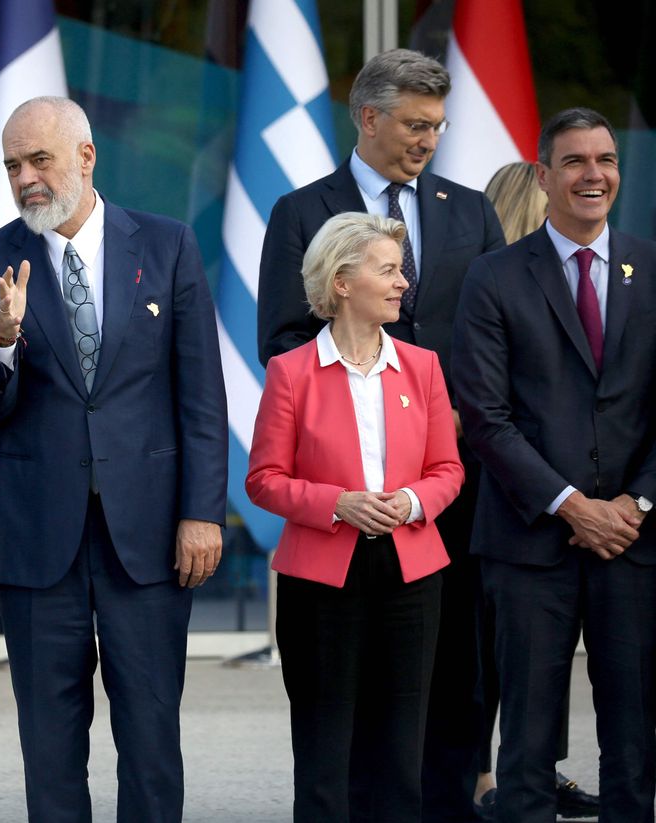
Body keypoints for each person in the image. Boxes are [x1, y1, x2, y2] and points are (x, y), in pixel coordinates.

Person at [0, 96, 228, 823]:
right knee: (48, 740)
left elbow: (201, 395)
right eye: (13, 165)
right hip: (37, 538)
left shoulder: (167, 246)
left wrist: (202, 512)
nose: (25, 178)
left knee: (150, 734)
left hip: (149, 537)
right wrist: (3, 341)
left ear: (86, 156)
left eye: (39, 159)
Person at [256, 48, 505, 821]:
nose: (429, 139)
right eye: (414, 124)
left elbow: (500, 335)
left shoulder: (470, 210)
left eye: (437, 125)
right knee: (345, 690)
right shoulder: (302, 211)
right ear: (369, 117)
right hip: (347, 482)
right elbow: (282, 337)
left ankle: (446, 806)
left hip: (450, 477)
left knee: (455, 665)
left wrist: (457, 414)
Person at [452, 107, 656, 823]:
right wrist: (572, 503)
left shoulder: (652, 266)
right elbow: (484, 415)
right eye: (574, 161)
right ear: (544, 176)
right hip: (528, 542)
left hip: (634, 545)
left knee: (635, 743)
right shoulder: (494, 275)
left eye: (604, 159)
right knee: (529, 746)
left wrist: (635, 504)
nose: (592, 174)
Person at [247, 212, 463, 822]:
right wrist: (336, 504)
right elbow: (263, 480)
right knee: (323, 745)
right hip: (320, 579)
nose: (402, 284)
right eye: (388, 270)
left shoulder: (423, 367)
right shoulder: (290, 373)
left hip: (412, 573)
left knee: (399, 747)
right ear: (342, 282)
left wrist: (414, 502)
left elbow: (449, 468)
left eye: (401, 271)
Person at [471, 162, 598, 821]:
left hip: (549, 491)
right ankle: (492, 777)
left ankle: (526, 773)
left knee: (526, 654)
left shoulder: (589, 277)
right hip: (495, 489)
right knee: (501, 652)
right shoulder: (496, 279)